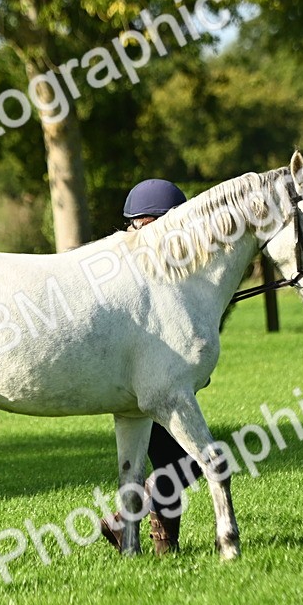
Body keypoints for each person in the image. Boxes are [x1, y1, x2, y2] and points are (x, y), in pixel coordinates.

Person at [100, 179, 203, 556]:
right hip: (144, 382)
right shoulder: (133, 266)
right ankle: (131, 522)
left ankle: (160, 541)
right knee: (185, 462)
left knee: (176, 462)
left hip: (156, 378)